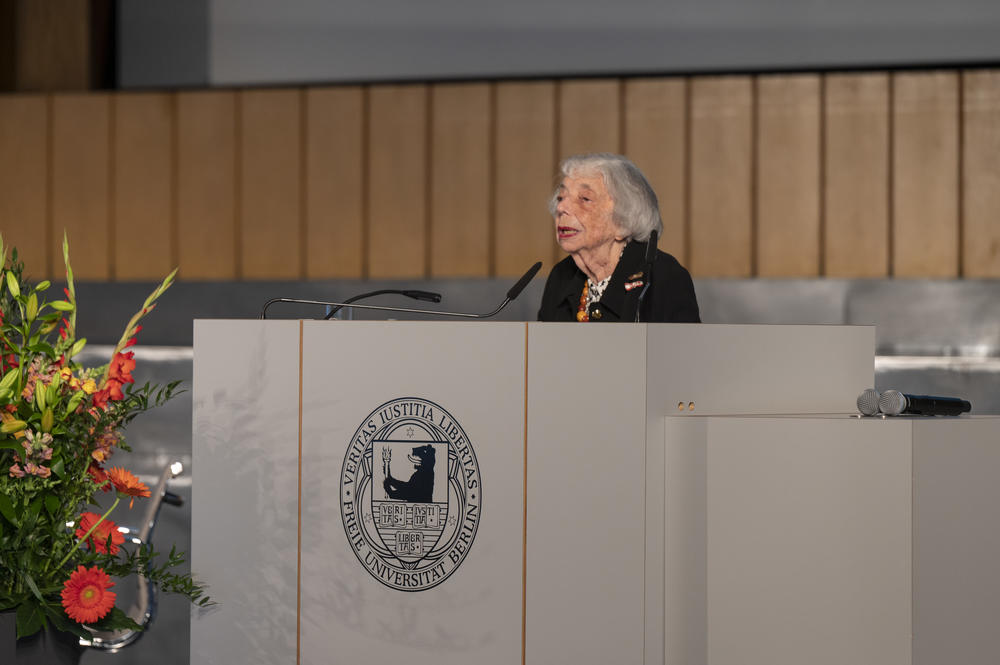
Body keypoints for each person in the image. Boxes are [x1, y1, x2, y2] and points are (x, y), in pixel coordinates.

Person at [537, 153, 700, 323]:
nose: (562, 207)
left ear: (624, 221)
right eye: (561, 198)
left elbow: (685, 349)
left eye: (584, 199)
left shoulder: (662, 277)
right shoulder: (561, 277)